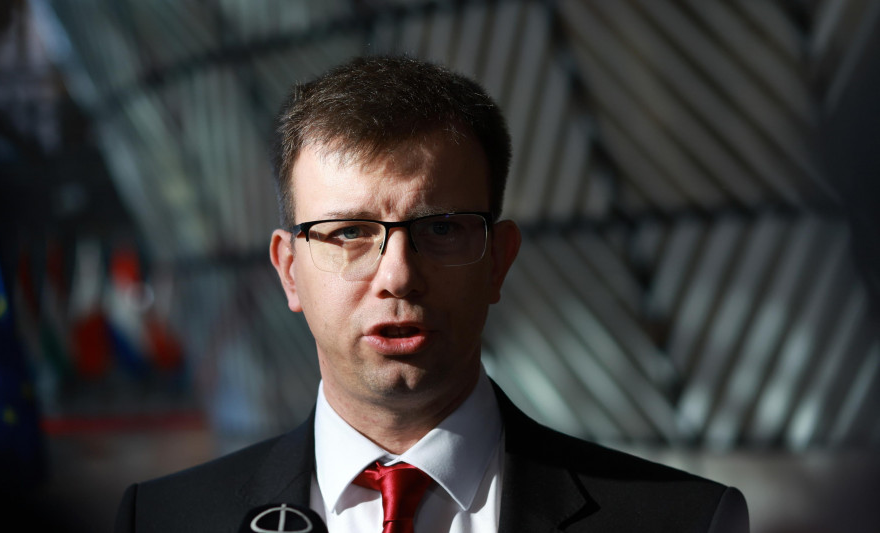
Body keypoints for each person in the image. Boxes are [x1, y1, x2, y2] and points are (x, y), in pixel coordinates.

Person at [115, 56, 749, 533]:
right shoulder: (163, 520)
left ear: (498, 260)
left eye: (441, 229)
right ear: (288, 270)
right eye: (350, 232)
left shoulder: (686, 521)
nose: (397, 275)